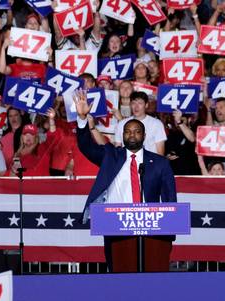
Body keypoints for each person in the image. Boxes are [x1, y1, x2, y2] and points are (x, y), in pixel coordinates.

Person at [74, 89, 177, 272]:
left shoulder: (160, 163)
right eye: (128, 131)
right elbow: (85, 146)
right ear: (122, 136)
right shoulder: (111, 156)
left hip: (150, 228)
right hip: (115, 224)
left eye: (137, 131)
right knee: (118, 273)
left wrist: (168, 235)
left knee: (150, 274)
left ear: (144, 136)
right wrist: (82, 119)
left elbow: (170, 200)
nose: (132, 135)